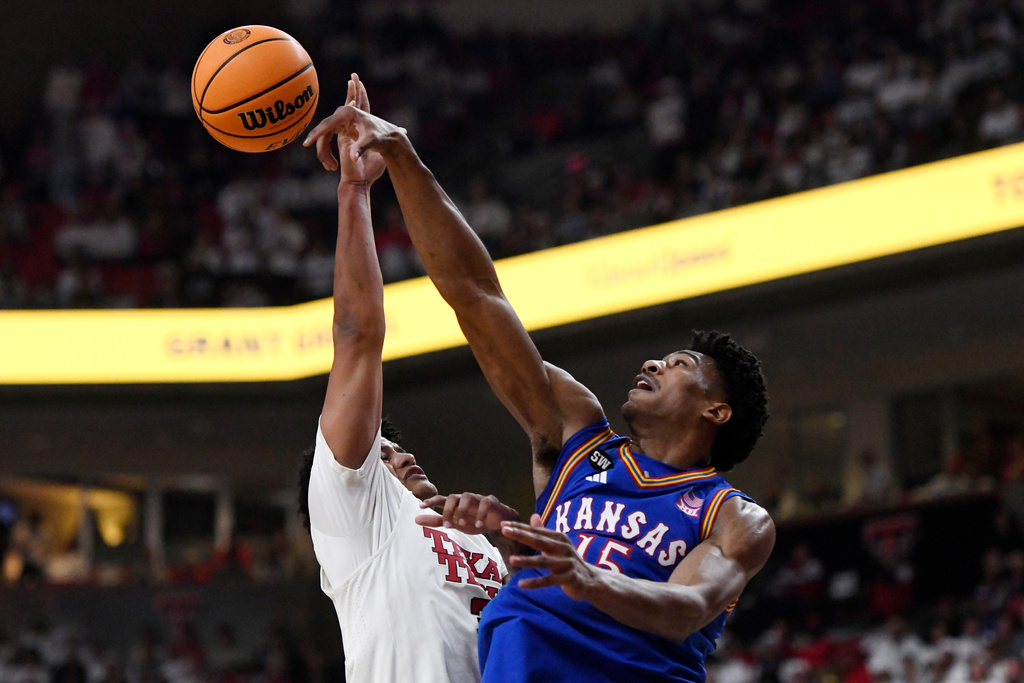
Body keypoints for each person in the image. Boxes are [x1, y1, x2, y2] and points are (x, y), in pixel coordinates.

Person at [304, 76, 776, 683]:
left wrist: (586, 578)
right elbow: (476, 296)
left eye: (680, 366)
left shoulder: (733, 516)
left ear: (716, 411)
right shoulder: (575, 434)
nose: (654, 364)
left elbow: (687, 609)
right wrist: (400, 154)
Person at [296, 76, 518, 683]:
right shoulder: (355, 517)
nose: (406, 456)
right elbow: (357, 338)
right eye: (385, 457)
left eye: (398, 449)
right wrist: (353, 195)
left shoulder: (480, 542)